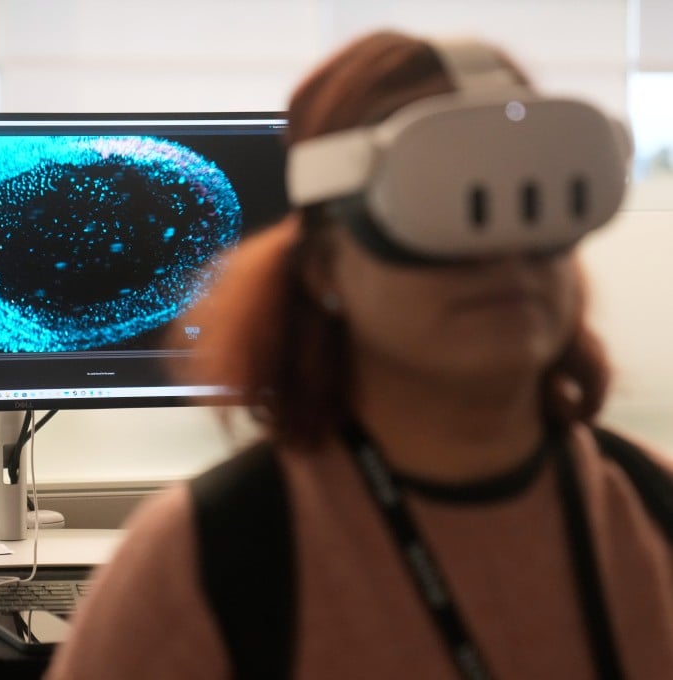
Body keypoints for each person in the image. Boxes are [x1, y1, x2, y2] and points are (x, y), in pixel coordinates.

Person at [44, 30, 673, 679]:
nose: (503, 259)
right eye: (438, 202)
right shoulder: (212, 560)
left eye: (533, 206)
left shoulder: (651, 514)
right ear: (324, 269)